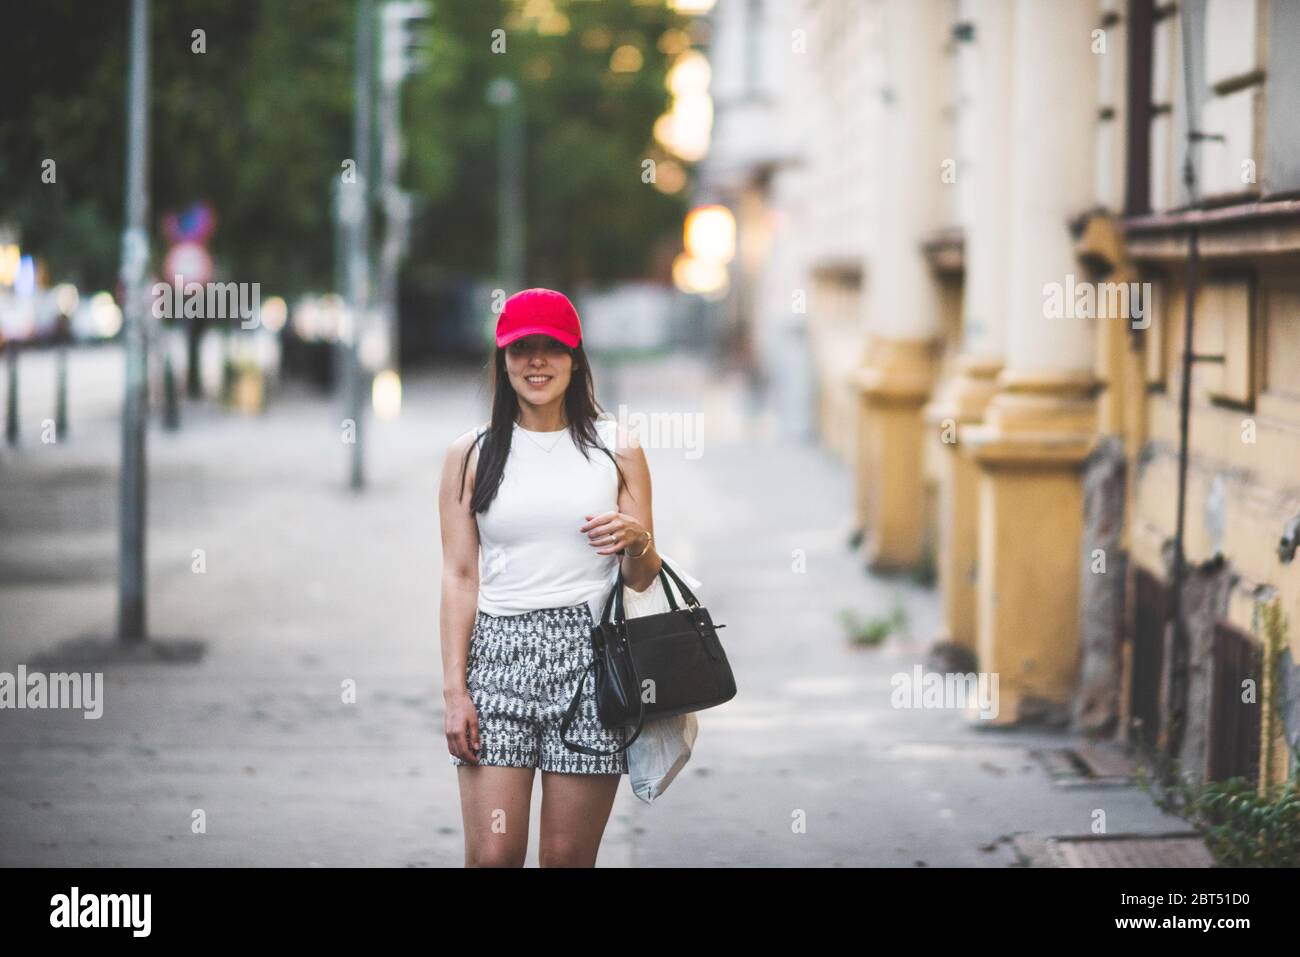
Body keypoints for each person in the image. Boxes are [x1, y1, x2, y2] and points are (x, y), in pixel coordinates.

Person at [438, 288, 662, 867]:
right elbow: (460, 577)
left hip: (592, 664)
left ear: (575, 358)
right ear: (503, 359)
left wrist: (638, 540)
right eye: (521, 349)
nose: (536, 361)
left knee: (565, 858)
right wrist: (455, 692)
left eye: (551, 349)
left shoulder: (618, 448)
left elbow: (642, 578)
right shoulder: (471, 454)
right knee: (493, 854)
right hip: (497, 661)